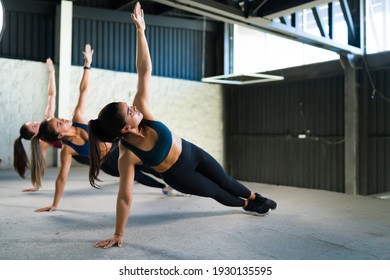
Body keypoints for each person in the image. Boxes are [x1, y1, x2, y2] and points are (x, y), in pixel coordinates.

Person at [88, 1, 277, 249]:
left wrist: (140, 31)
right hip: (180, 175)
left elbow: (144, 70)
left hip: (191, 151)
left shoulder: (143, 109)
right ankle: (246, 205)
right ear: (124, 129)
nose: (133, 107)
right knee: (216, 192)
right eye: (129, 111)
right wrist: (118, 234)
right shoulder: (127, 155)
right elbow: (125, 197)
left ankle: (254, 196)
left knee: (225, 180)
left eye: (129, 105)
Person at [30, 44, 187, 213]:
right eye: (60, 123)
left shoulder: (77, 118)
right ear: (59, 135)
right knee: (140, 176)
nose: (63, 119)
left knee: (153, 166)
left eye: (59, 118)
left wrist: (87, 65)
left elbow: (83, 91)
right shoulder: (67, 150)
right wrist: (54, 204)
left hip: (118, 147)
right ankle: (165, 187)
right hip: (109, 163)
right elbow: (61, 178)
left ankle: (178, 183)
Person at [13, 58, 61, 192]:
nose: (36, 123)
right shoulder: (41, 143)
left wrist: (51, 72)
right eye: (34, 126)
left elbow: (51, 95)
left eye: (33, 122)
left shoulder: (48, 119)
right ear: (34, 136)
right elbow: (39, 165)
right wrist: (36, 185)